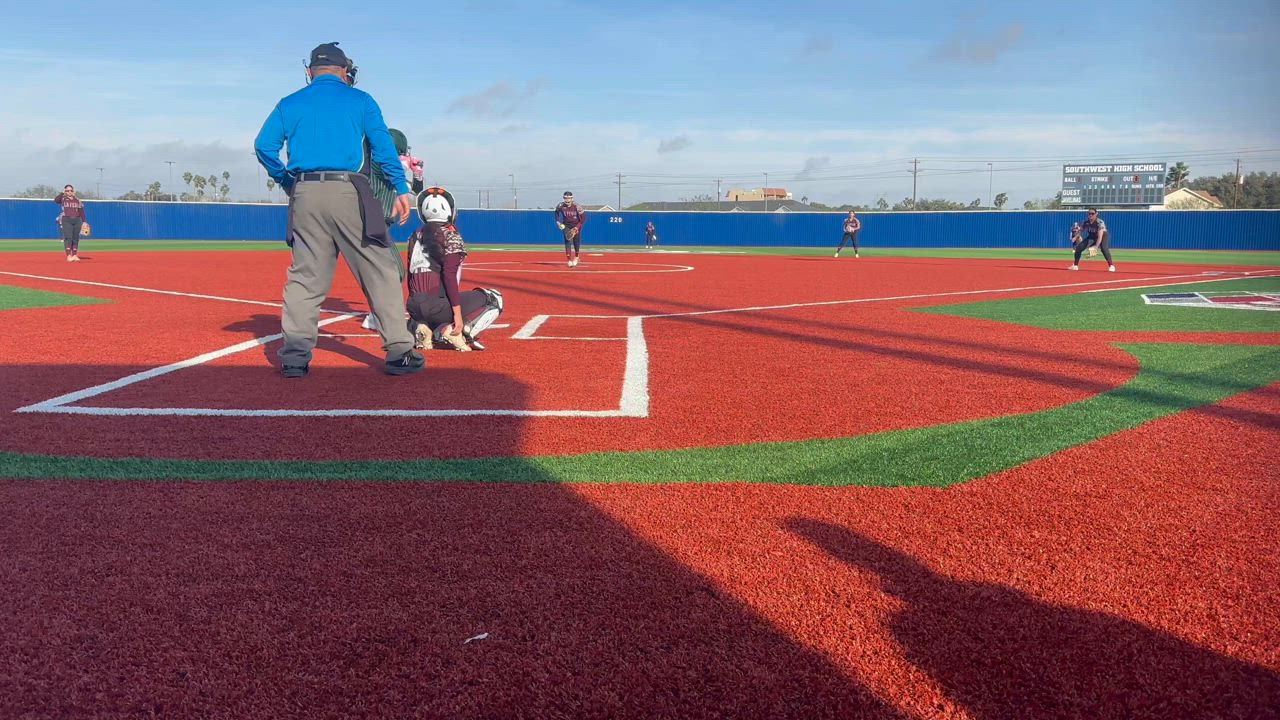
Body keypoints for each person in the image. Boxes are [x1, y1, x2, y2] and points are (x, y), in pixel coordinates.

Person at [254, 42, 424, 378]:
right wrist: (400, 187)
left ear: (309, 71)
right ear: (345, 71)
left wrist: (287, 180)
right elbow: (383, 147)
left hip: (305, 192)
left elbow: (263, 147)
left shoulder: (289, 103)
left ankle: (294, 358)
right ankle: (399, 352)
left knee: (306, 277)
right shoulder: (360, 100)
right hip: (349, 190)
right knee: (379, 270)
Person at [405, 187, 504, 352]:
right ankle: (458, 333)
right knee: (494, 298)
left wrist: (416, 312)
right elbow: (449, 277)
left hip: (413, 305)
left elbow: (410, 274)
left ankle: (422, 326)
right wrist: (457, 316)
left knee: (433, 301)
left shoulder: (414, 236)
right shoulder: (451, 236)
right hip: (435, 306)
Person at [1070, 208, 1116, 272]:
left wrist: (1096, 247)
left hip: (1103, 236)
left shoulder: (1099, 222)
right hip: (1092, 236)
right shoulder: (1086, 222)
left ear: (1096, 214)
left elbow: (1100, 236)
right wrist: (1075, 237)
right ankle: (1075, 266)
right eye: (1089, 213)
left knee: (1104, 248)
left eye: (1092, 213)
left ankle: (1111, 266)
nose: (1091, 215)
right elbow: (1081, 231)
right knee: (1079, 248)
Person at [53, 185, 89, 262]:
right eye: (67, 190)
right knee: (68, 237)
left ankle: (75, 255)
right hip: (66, 219)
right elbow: (56, 200)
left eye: (71, 190)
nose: (69, 192)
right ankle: (69, 255)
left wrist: (84, 221)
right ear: (65, 191)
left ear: (73, 191)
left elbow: (81, 211)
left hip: (77, 220)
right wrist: (62, 193)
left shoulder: (77, 200)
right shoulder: (63, 198)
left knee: (75, 238)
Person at [554, 191, 587, 267]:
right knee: (567, 240)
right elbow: (556, 212)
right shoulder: (560, 205)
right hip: (566, 225)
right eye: (565, 198)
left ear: (572, 198)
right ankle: (569, 260)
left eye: (569, 198)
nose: (567, 200)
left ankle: (576, 256)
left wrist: (577, 227)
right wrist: (558, 221)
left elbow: (583, 218)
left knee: (576, 241)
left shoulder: (577, 206)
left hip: (576, 225)